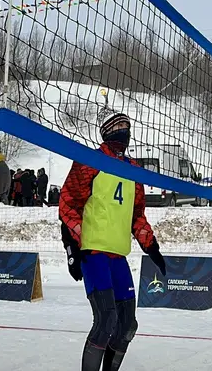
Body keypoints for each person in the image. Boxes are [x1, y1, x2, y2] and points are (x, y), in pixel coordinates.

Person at [59, 107, 166, 371]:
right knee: (106, 320)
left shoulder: (134, 170)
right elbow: (68, 204)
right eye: (117, 127)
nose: (123, 132)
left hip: (118, 254)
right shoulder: (89, 161)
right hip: (93, 252)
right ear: (105, 132)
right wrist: (72, 248)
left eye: (126, 127)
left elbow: (137, 215)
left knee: (128, 324)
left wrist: (151, 246)